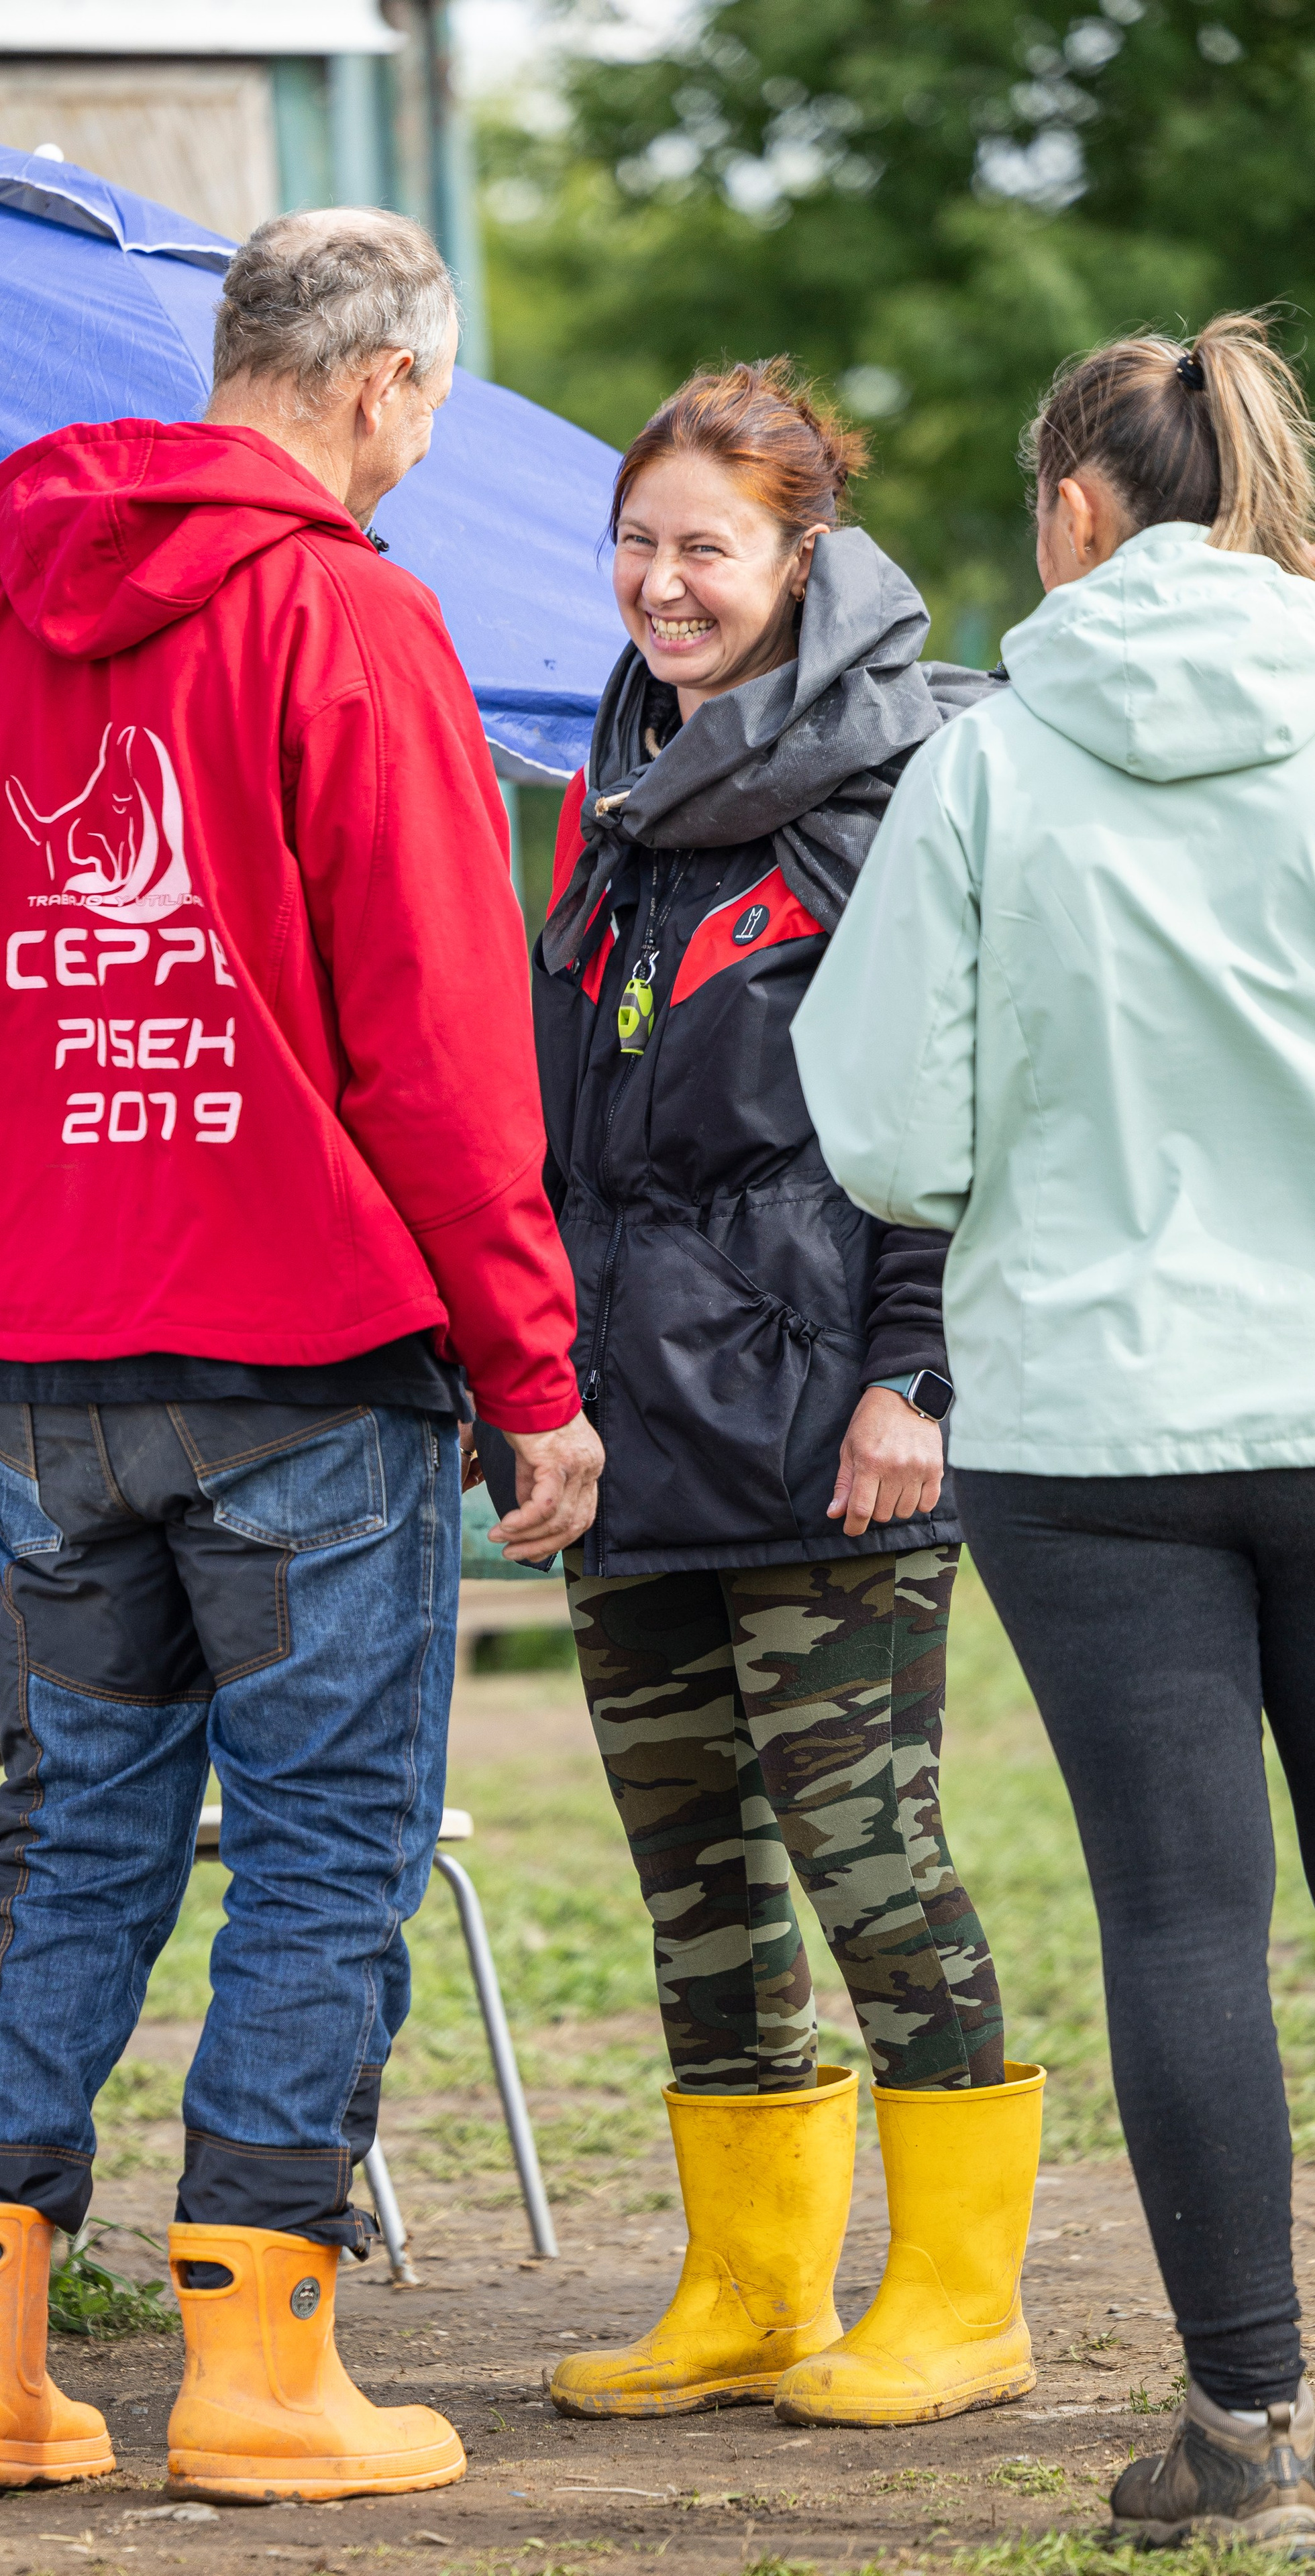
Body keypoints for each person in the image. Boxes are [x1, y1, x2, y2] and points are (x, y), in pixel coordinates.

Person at [0, 205, 602, 2503]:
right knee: (320, 1847)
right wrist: (534, 1368)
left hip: (49, 1372)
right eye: (438, 405)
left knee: (72, 1835)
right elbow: (442, 1052)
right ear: (384, 384)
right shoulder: (353, 622)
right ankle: (264, 2370)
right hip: (297, 1367)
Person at [794, 311, 1315, 2543]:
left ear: (1077, 513)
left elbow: (895, 1138)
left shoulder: (985, 764)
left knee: (1186, 1927)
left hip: (1099, 1422)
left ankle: (1244, 2435)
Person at [528, 359, 1043, 2434]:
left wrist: (914, 1371)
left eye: (705, 549)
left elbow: (953, 1100)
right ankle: (751, 2291)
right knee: (696, 1879)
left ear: (801, 556)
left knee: (871, 1859)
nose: (662, 583)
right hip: (631, 1420)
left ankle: (957, 2299)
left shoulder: (899, 775)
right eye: (638, 544)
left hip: (837, 1420)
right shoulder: (624, 780)